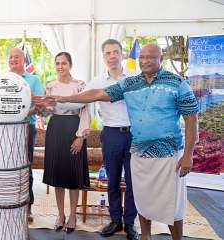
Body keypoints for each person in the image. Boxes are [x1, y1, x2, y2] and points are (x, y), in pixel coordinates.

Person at [42, 44, 198, 240]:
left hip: (169, 153)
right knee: (142, 198)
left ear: (161, 58)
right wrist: (63, 99)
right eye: (142, 57)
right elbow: (98, 94)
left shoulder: (177, 82)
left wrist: (188, 155)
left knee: (172, 203)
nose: (145, 61)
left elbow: (192, 118)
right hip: (139, 150)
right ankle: (144, 236)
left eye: (151, 57)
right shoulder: (131, 83)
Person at [35, 52, 90, 234]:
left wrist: (81, 136)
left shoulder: (80, 86)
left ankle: (73, 215)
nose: (60, 66)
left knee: (73, 176)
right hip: (55, 128)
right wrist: (41, 106)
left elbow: (85, 111)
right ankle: (60, 215)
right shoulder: (50, 86)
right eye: (57, 63)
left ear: (70, 65)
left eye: (64, 63)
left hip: (74, 128)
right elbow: (45, 113)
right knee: (57, 175)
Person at [89, 39, 138, 240]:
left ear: (122, 54)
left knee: (134, 182)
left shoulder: (134, 78)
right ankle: (115, 220)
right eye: (108, 53)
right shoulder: (97, 81)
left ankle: (130, 223)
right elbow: (82, 99)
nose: (112, 56)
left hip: (134, 135)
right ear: (103, 57)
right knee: (113, 181)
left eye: (115, 52)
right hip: (110, 135)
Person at [8, 47, 44, 222]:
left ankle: (27, 207)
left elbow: (41, 104)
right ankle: (10, 202)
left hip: (26, 128)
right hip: (6, 130)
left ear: (24, 60)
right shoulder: (3, 79)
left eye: (17, 57)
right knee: (7, 167)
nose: (13, 60)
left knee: (25, 167)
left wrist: (24, 113)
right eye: (11, 57)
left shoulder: (34, 79)